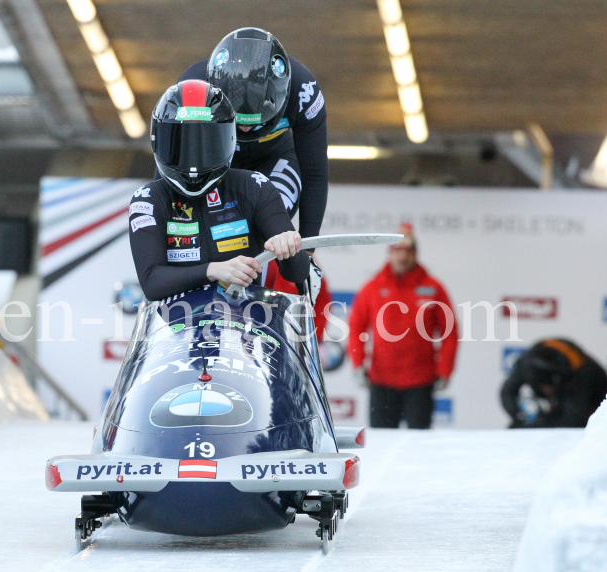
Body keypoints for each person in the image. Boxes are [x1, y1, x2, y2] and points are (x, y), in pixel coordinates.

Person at [129, 80, 309, 303]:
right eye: (183, 144)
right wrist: (214, 270)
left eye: (204, 144)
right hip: (177, 329)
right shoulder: (147, 201)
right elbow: (152, 283)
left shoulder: (255, 187)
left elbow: (298, 272)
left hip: (249, 326)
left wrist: (289, 246)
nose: (193, 159)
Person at [177, 28, 328, 240]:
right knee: (208, 228)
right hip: (217, 160)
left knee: (270, 223)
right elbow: (171, 165)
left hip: (275, 158)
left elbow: (314, 172)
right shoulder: (192, 90)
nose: (246, 130)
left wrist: (309, 249)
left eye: (257, 119)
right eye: (239, 121)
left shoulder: (305, 92)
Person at [347, 224, 458, 429]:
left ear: (415, 254)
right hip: (381, 380)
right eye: (397, 251)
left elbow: (449, 333)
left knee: (419, 444)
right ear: (389, 253)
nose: (402, 257)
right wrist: (357, 363)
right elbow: (356, 328)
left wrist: (445, 370)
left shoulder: (433, 288)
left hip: (420, 382)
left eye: (408, 251)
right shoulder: (373, 287)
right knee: (381, 443)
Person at [501, 339, 607, 428]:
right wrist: (519, 415)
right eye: (546, 386)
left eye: (552, 386)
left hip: (592, 394)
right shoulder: (526, 365)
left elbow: (573, 419)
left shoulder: (583, 371)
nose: (549, 390)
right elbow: (507, 393)